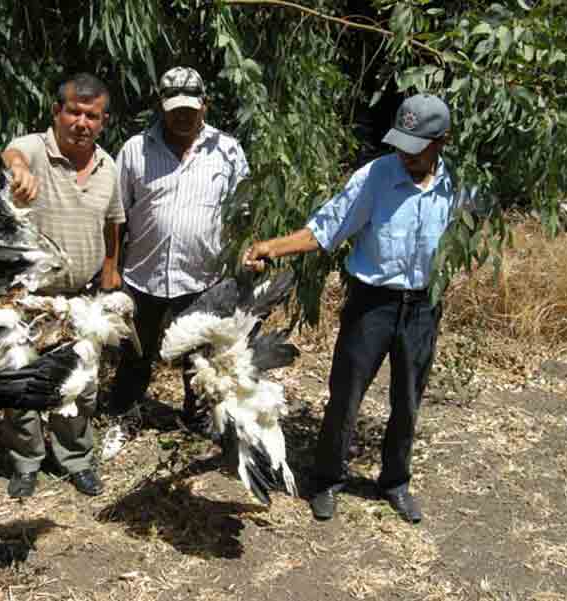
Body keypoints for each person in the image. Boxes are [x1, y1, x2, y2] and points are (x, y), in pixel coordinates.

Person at [244, 94, 455, 524]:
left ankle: (394, 481)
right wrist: (270, 247)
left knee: (408, 400)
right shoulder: (375, 177)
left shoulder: (454, 184)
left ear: (441, 142)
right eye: (401, 144)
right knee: (346, 397)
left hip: (421, 309)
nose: (404, 154)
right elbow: (325, 231)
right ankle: (327, 479)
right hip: (371, 305)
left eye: (416, 147)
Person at [107, 66, 249, 444]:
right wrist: (112, 268)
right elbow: (117, 215)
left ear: (205, 105)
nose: (182, 115)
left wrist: (240, 264)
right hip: (143, 274)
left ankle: (198, 414)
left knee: (199, 355)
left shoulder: (229, 151)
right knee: (136, 353)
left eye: (191, 107)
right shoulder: (135, 150)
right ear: (161, 106)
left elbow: (242, 213)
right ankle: (123, 415)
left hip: (202, 275)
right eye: (174, 108)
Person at [0, 72, 125, 499]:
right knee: (21, 381)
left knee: (78, 386)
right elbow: (13, 151)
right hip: (28, 297)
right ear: (57, 112)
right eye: (73, 111)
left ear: (103, 120)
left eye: (92, 115)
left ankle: (75, 459)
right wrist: (18, 170)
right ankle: (27, 462)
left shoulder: (108, 167)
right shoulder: (37, 149)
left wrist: (111, 270)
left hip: (81, 299)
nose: (81, 122)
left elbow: (113, 225)